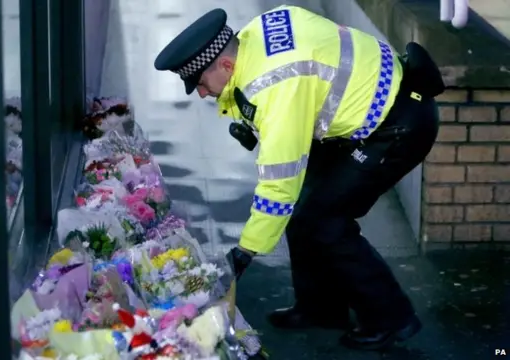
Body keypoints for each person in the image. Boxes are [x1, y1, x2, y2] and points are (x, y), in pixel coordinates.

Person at [154, 5, 444, 351]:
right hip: (364, 114)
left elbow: (278, 185)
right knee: (304, 209)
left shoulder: (277, 88)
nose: (201, 93)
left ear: (227, 65)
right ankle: (321, 308)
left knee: (327, 222)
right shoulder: (255, 34)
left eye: (200, 83)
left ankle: (391, 318)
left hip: (398, 127)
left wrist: (244, 253)